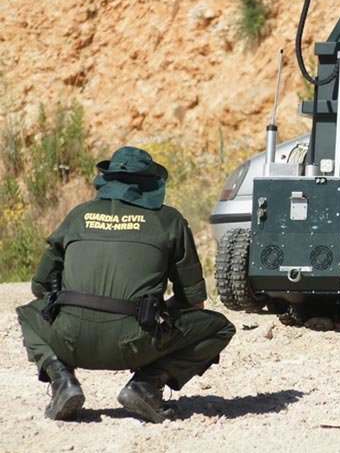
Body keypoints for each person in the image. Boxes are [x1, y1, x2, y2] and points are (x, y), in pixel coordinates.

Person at [15, 146, 236, 423]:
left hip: (70, 340)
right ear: (153, 182)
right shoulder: (170, 221)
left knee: (28, 314)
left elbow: (40, 288)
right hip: (136, 343)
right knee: (219, 327)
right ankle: (145, 385)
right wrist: (158, 311)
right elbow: (194, 303)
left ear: (107, 179)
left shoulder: (77, 215)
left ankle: (61, 380)